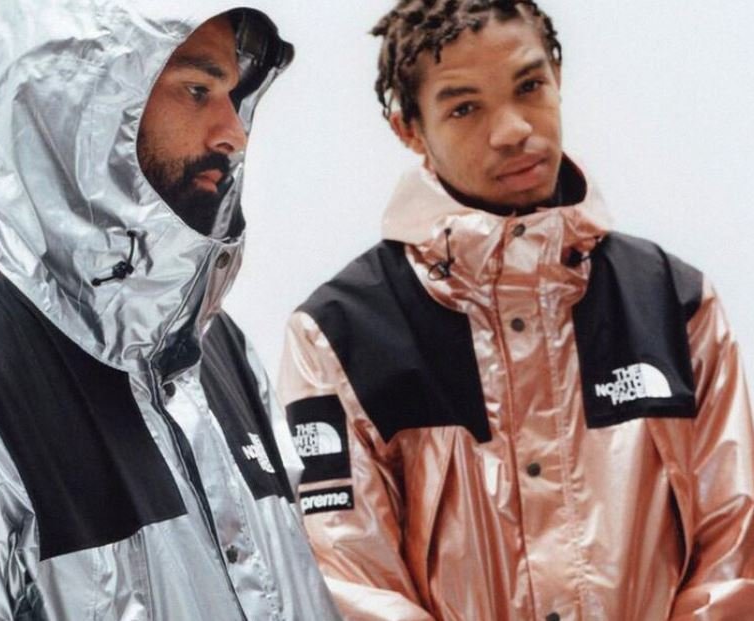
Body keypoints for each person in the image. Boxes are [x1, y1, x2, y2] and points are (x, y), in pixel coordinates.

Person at [0, 1, 341, 619]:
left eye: (233, 94)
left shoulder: (218, 350)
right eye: (197, 91)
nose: (234, 133)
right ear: (85, 104)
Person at [278, 1, 754, 619]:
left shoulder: (674, 302)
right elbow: (350, 582)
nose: (511, 130)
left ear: (558, 77)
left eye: (529, 87)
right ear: (408, 129)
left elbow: (734, 552)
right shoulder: (336, 336)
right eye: (464, 107)